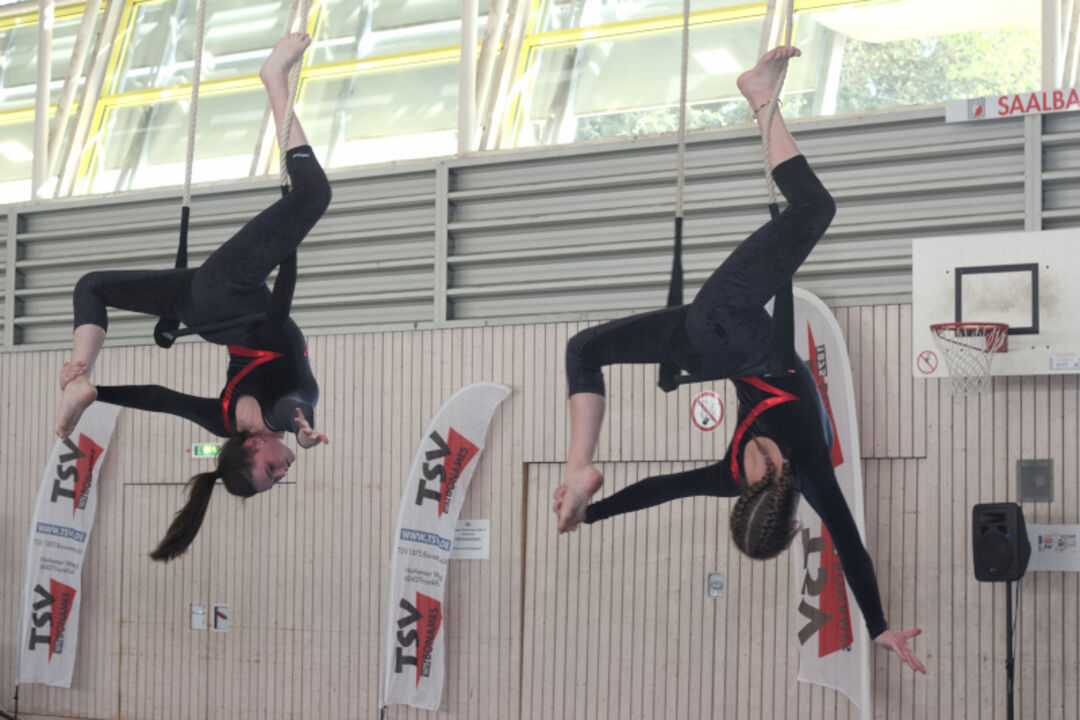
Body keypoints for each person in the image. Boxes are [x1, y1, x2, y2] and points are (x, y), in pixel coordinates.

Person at [552, 46, 926, 675]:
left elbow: (851, 548)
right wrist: (593, 513)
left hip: (733, 328)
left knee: (815, 210)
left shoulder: (810, 471)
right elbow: (659, 491)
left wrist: (879, 625)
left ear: (788, 517)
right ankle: (578, 466)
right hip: (700, 350)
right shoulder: (730, 474)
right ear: (743, 505)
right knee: (583, 350)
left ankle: (760, 96)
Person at [54, 33, 330, 561]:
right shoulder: (228, 421)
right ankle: (79, 377)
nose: (282, 470)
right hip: (201, 311)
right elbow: (161, 397)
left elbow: (291, 408)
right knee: (91, 286)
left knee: (314, 194)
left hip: (228, 299)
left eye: (270, 470)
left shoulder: (279, 417)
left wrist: (303, 430)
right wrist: (98, 392)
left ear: (253, 445)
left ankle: (274, 79)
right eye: (278, 477)